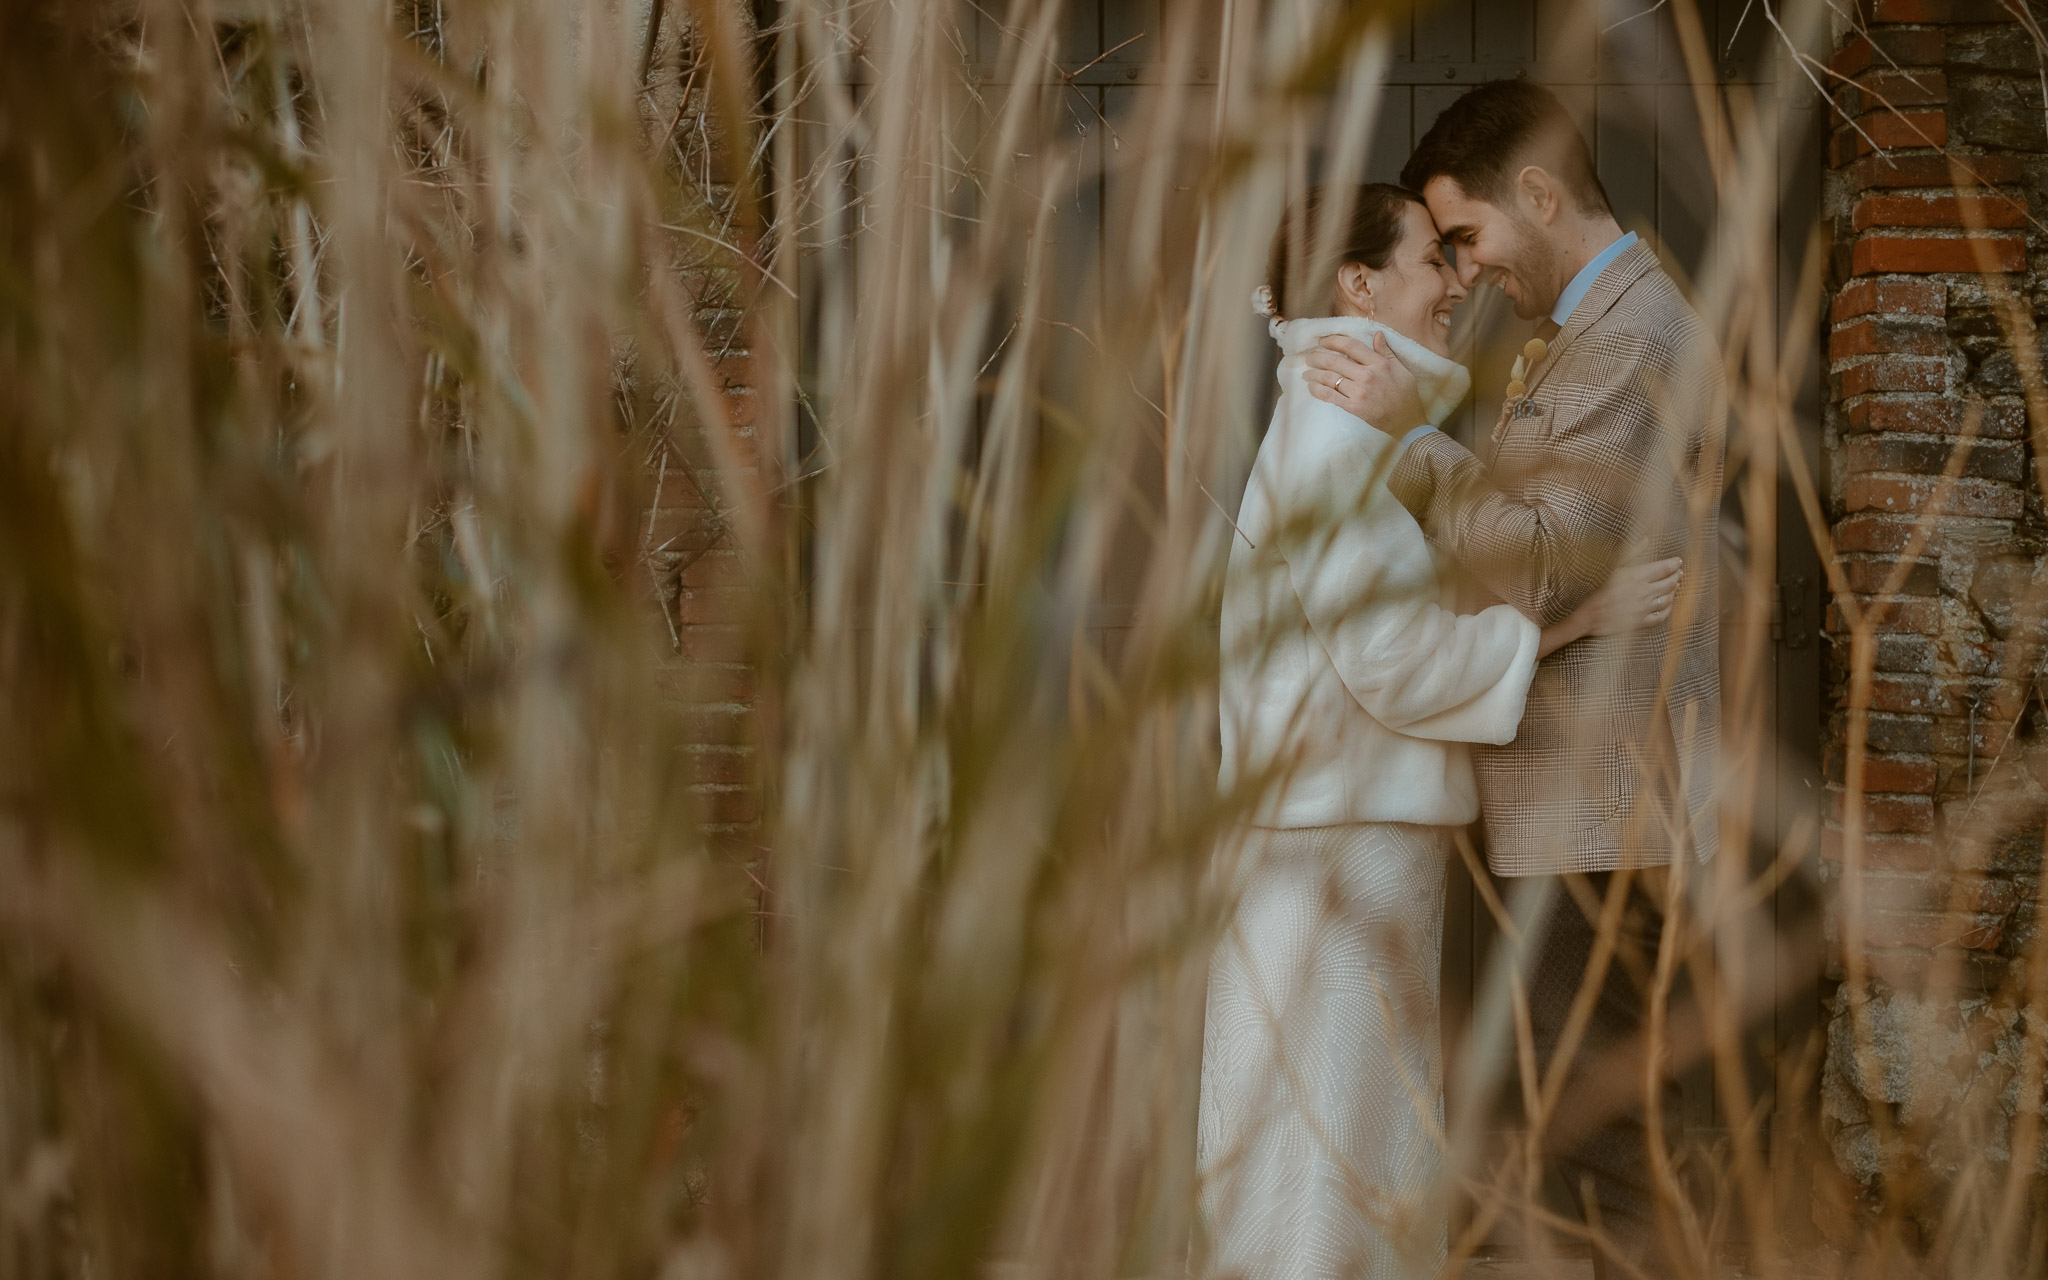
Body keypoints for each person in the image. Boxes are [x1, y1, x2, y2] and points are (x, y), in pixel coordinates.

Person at [1200, 182, 1682, 1280]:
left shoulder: (1340, 427)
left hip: (1339, 832)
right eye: (1428, 260)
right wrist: (1562, 628)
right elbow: (1389, 658)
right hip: (1339, 846)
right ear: (1355, 284)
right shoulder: (1331, 438)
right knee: (1331, 1126)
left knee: (1336, 1119)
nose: (1451, 287)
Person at [1303, 82, 1726, 1279]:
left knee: (1597, 1136)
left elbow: (1538, 563)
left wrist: (1412, 438)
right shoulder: (1596, 333)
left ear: (1537, 194)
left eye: (1470, 238)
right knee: (1576, 1124)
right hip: (1562, 811)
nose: (1468, 272)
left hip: (1601, 808)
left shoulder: (1637, 337)